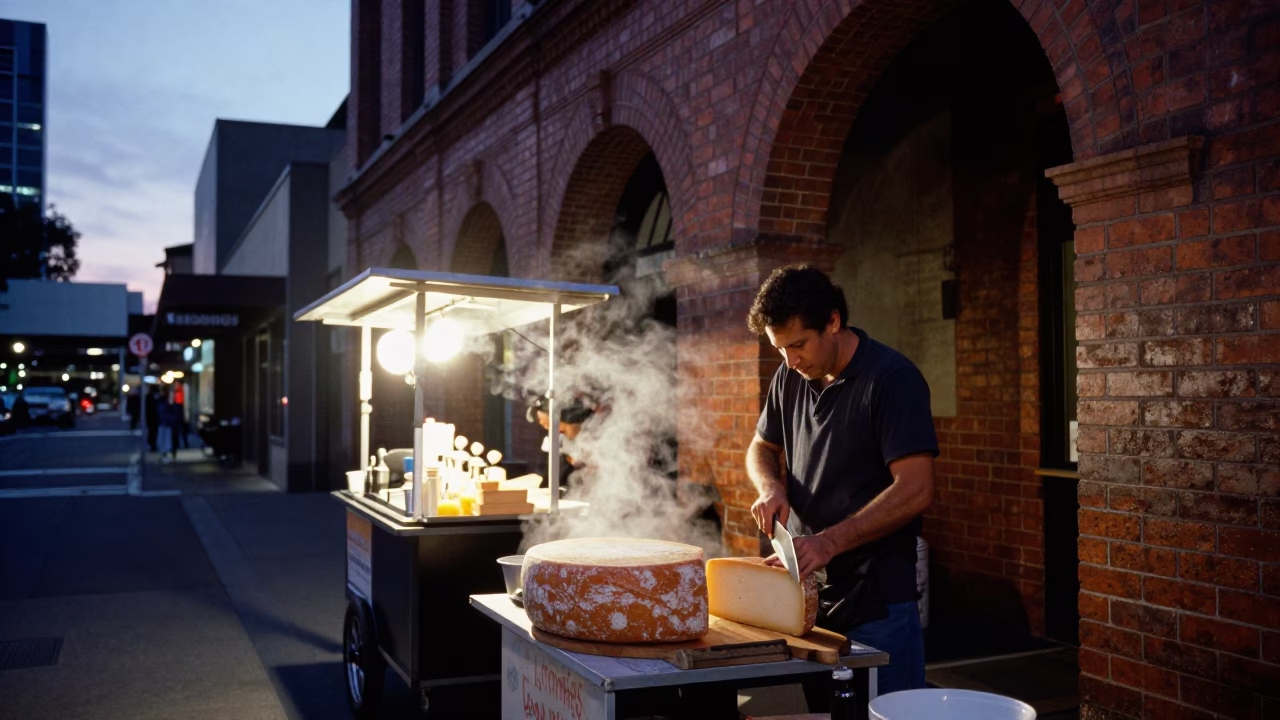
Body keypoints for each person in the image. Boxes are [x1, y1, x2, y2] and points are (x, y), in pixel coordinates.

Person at [745, 264, 937, 696]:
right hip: (808, 599)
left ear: (833, 321)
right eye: (780, 349)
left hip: (878, 603)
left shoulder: (892, 379)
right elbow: (761, 447)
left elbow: (917, 488)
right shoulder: (790, 376)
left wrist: (828, 542)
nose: (791, 361)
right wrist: (771, 487)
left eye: (798, 345)